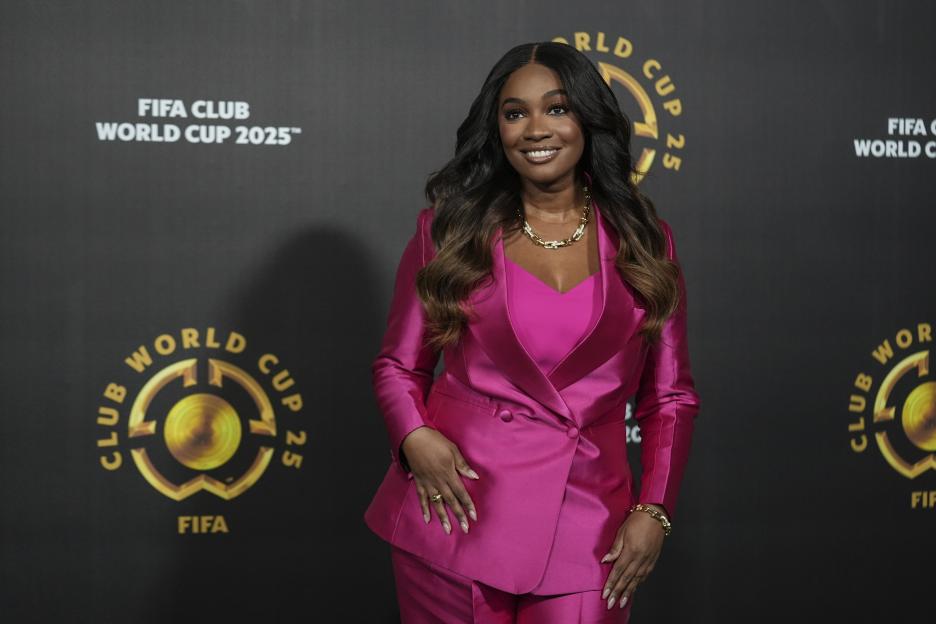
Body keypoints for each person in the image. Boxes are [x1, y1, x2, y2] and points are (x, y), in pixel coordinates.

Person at [364, 40, 700, 623]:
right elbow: (398, 365)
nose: (535, 129)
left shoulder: (646, 241)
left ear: (588, 119)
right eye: (515, 113)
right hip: (458, 511)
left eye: (557, 108)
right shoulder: (448, 232)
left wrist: (655, 509)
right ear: (496, 129)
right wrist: (414, 438)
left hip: (588, 522)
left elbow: (670, 397)